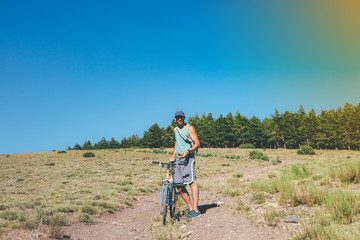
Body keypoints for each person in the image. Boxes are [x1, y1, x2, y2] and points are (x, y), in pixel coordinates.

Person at [170, 110, 201, 218]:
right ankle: (191, 208)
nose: (179, 119)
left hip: (188, 158)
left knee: (192, 182)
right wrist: (174, 156)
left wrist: (188, 151)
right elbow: (176, 143)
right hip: (178, 160)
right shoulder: (175, 130)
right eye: (177, 117)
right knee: (179, 185)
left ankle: (196, 210)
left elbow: (197, 143)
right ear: (175, 119)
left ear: (184, 118)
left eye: (181, 117)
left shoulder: (190, 128)